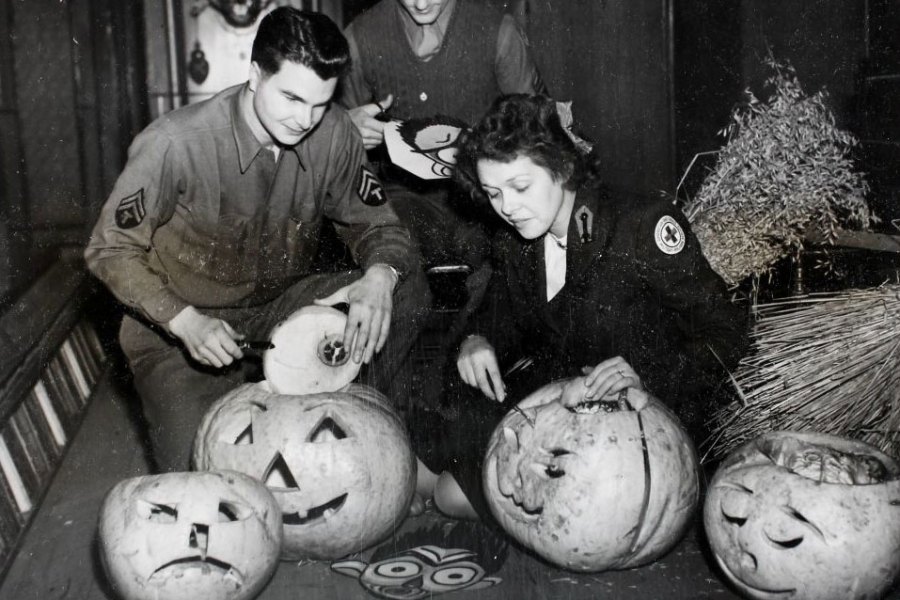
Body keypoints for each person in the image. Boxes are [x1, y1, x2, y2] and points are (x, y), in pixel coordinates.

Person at [84, 7, 429, 472]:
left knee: (401, 286)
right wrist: (185, 322)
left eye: (320, 103)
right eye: (290, 97)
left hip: (277, 309)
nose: (304, 119)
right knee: (207, 482)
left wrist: (379, 276)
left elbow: (379, 226)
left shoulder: (335, 134)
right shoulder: (174, 144)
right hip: (177, 328)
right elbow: (110, 249)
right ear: (253, 75)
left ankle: (356, 420)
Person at [412, 94, 749, 520]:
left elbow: (729, 329)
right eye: (493, 193)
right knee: (418, 466)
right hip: (559, 408)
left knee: (450, 495)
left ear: (562, 169)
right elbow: (498, 309)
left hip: (642, 426)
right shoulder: (516, 237)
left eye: (520, 187)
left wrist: (646, 370)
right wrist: (477, 339)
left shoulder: (641, 225)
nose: (507, 208)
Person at [338, 0, 546, 271]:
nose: (421, 4)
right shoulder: (360, 36)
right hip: (401, 199)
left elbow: (538, 132)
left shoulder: (500, 32)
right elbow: (327, 147)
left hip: (485, 197)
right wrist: (344, 126)